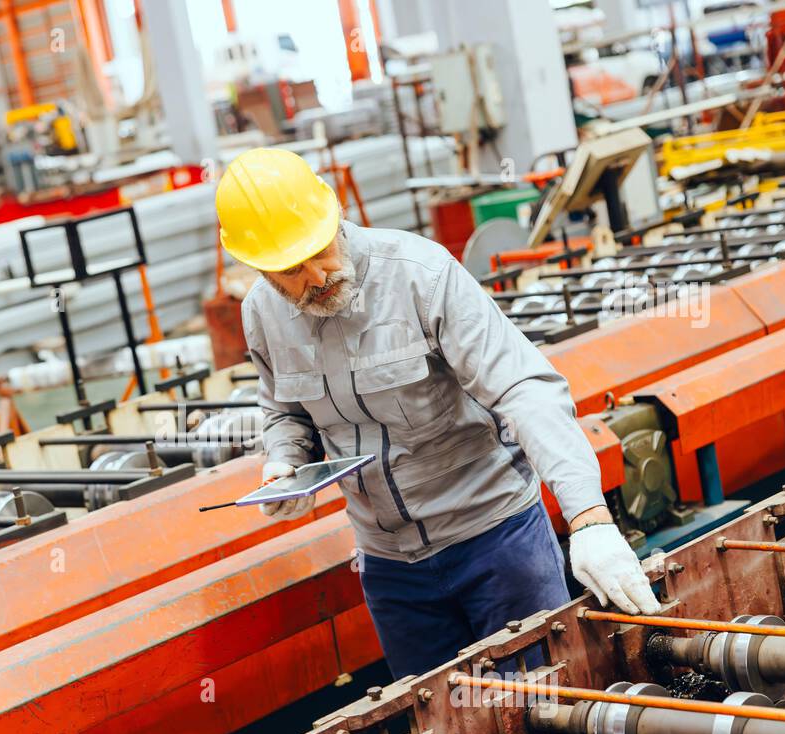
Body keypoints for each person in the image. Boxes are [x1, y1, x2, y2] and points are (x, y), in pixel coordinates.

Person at [215, 147, 660, 679]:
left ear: (333, 215)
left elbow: (524, 388)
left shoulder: (420, 276)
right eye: (291, 269)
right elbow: (285, 413)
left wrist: (588, 518)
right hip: (392, 571)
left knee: (554, 717)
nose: (317, 275)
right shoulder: (261, 316)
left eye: (321, 249)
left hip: (497, 543)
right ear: (259, 270)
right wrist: (285, 465)